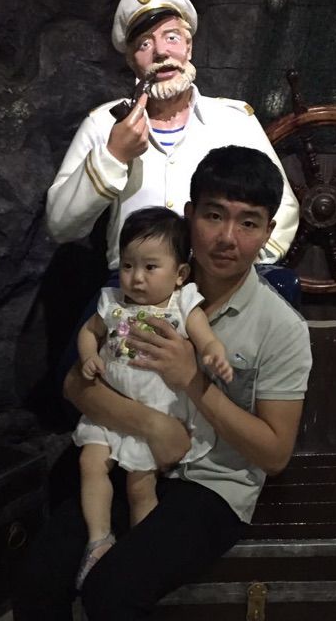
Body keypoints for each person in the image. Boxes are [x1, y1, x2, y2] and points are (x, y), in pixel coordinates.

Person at [12, 145, 312, 621]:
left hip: (213, 483)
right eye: (214, 215)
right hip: (126, 455)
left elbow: (275, 455)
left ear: (267, 232)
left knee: (111, 592)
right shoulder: (137, 284)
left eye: (248, 223)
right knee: (37, 580)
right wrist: (154, 425)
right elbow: (74, 384)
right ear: (190, 215)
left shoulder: (281, 328)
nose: (227, 238)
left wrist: (192, 379)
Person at [45, 0, 299, 272]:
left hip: (216, 286)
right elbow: (60, 226)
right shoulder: (103, 124)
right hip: (136, 288)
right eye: (144, 44)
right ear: (131, 61)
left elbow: (284, 208)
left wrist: (237, 270)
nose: (161, 52)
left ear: (188, 47)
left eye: (172, 37)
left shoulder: (235, 121)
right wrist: (113, 156)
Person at [73, 206, 232, 589]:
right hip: (111, 407)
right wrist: (89, 356)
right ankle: (99, 540)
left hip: (159, 412)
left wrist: (215, 354)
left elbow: (206, 338)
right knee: (89, 462)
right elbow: (88, 332)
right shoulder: (112, 301)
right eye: (128, 265)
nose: (137, 277)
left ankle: (142, 553)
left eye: (150, 267)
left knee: (139, 485)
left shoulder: (182, 304)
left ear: (180, 274)